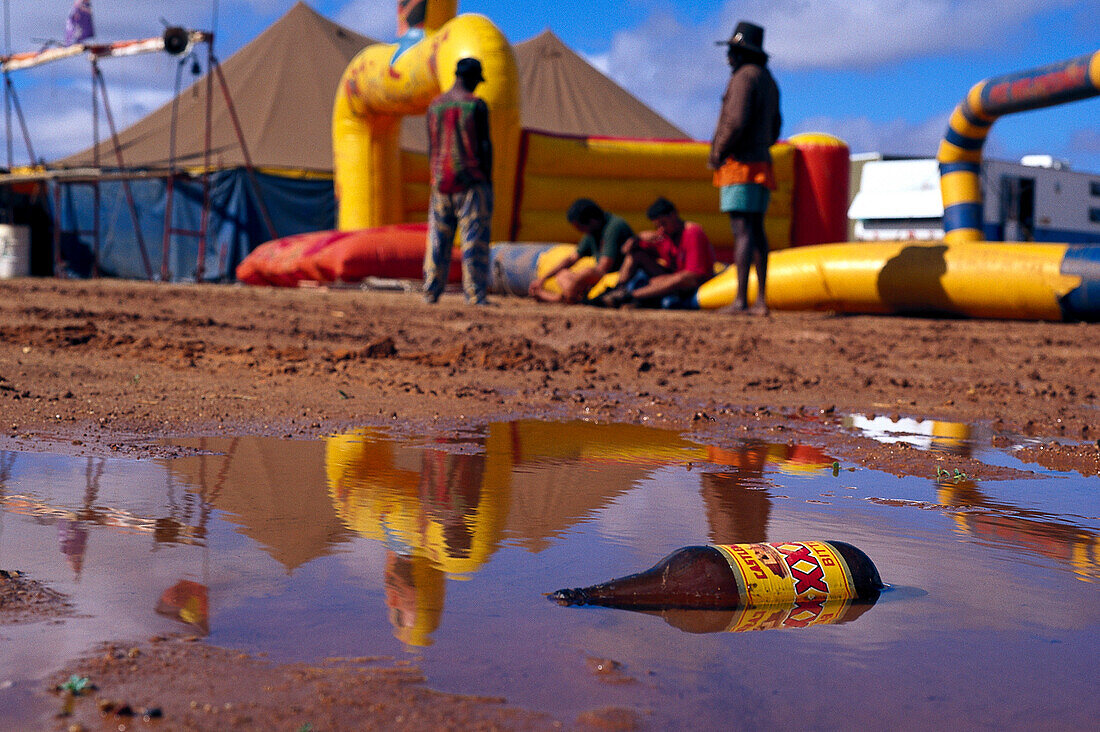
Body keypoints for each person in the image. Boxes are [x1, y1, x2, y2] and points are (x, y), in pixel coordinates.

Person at [710, 21, 781, 315]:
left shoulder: (743, 78)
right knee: (757, 229)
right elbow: (776, 125)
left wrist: (719, 151)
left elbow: (735, 121)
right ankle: (760, 300)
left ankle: (740, 299)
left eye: (732, 50)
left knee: (741, 229)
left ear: (741, 53)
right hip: (762, 162)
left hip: (740, 164)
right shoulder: (767, 79)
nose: (728, 56)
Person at [423, 57, 494, 305]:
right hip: (471, 182)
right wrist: (488, 180)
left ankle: (431, 291)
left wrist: (435, 176)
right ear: (471, 78)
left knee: (437, 239)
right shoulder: (475, 105)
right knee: (473, 239)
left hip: (441, 182)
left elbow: (432, 146)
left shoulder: (435, 106)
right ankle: (475, 294)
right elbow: (485, 146)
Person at [598, 197, 716, 309]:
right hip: (673, 277)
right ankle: (618, 288)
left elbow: (693, 276)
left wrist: (662, 281)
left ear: (673, 215)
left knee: (679, 278)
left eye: (663, 223)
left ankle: (629, 296)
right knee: (637, 255)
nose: (661, 229)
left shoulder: (692, 232)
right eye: (658, 226)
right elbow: (626, 250)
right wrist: (638, 238)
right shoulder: (664, 235)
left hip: (693, 282)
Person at [528, 198, 634, 304]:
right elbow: (571, 259)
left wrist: (580, 280)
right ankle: (570, 296)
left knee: (586, 272)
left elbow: (603, 268)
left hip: (617, 276)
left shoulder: (613, 228)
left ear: (591, 221)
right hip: (598, 276)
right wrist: (543, 279)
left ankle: (558, 298)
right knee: (562, 274)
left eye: (580, 228)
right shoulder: (593, 231)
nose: (580, 232)